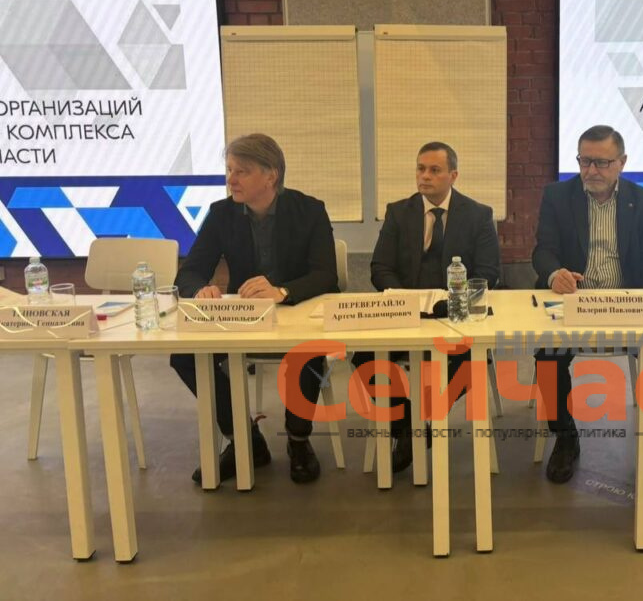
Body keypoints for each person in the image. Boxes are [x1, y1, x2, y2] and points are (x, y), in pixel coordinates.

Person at [170, 133, 339, 485]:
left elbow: (325, 274)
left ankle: (298, 440)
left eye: (241, 171)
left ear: (270, 175)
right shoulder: (221, 214)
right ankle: (245, 439)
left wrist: (282, 291)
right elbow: (189, 271)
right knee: (185, 356)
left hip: (296, 311)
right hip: (244, 319)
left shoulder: (309, 210)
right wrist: (200, 290)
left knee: (307, 349)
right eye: (229, 170)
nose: (231, 179)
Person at [532, 124, 643, 501]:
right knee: (547, 354)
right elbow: (543, 251)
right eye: (585, 161)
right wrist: (554, 274)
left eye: (602, 162)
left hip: (625, 304)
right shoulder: (557, 196)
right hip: (573, 303)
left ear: (622, 162)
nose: (591, 170)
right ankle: (565, 435)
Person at [353, 141, 501, 473]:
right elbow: (380, 268)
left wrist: (453, 302)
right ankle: (409, 424)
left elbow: (489, 273)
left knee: (467, 361)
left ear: (453, 175)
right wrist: (405, 300)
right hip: (408, 311)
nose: (425, 176)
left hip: (456, 314)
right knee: (364, 358)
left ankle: (419, 425)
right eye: (421, 169)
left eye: (434, 170)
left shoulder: (478, 215)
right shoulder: (398, 212)